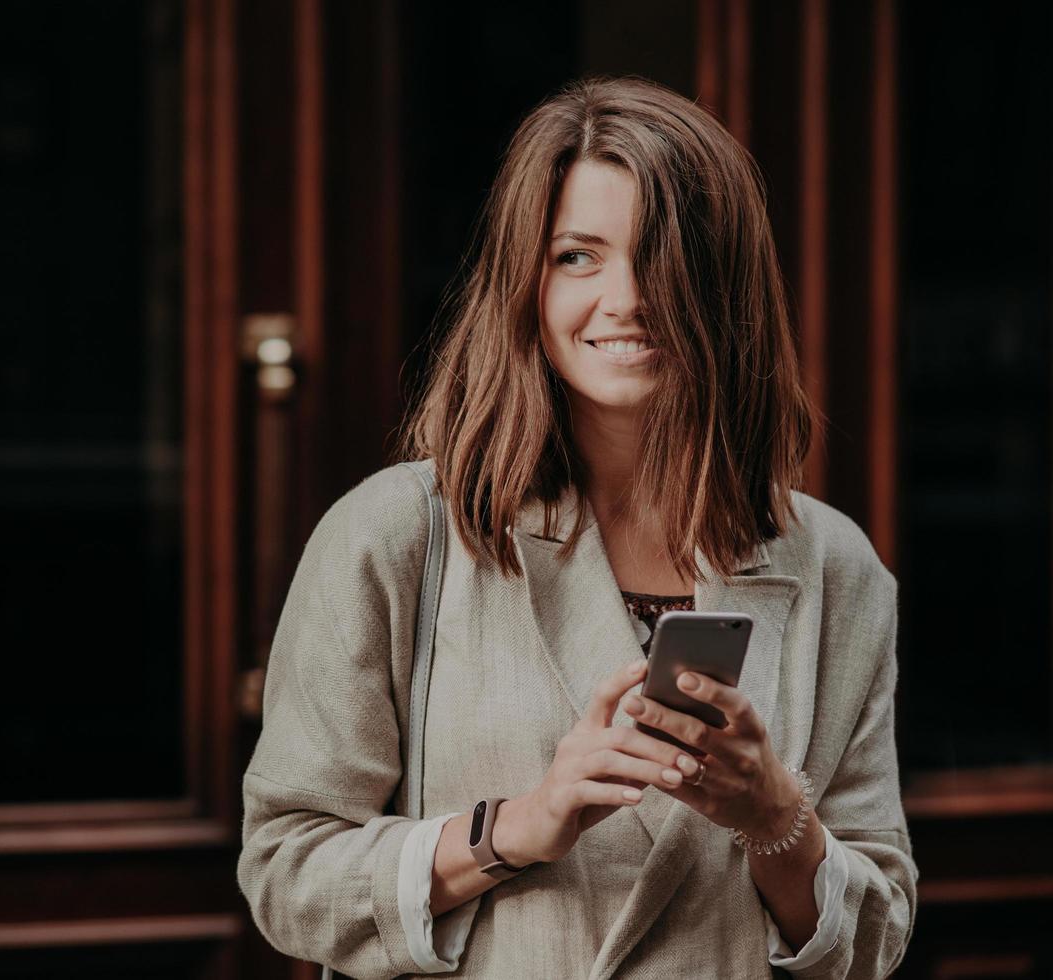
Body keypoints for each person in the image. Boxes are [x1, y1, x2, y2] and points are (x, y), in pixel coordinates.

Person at [236, 75, 916, 979]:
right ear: (524, 278)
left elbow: (876, 934)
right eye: (576, 257)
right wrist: (517, 826)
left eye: (661, 256)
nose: (626, 299)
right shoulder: (395, 535)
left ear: (725, 285)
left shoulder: (833, 565)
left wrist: (774, 814)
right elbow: (285, 871)